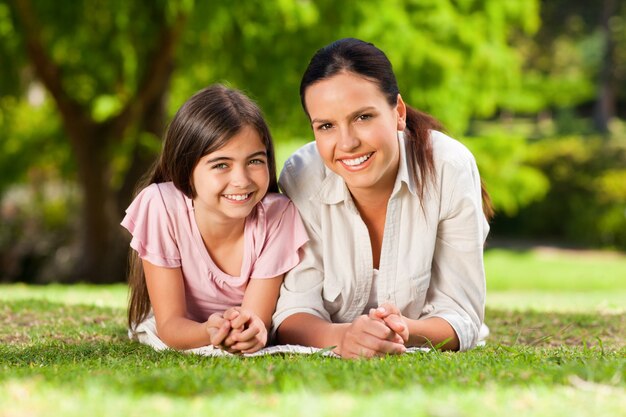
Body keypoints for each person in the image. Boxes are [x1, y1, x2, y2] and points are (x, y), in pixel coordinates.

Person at [273, 38, 493, 358]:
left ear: (398, 113)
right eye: (326, 126)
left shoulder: (449, 168)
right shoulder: (301, 176)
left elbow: (462, 315)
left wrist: (405, 330)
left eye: (363, 117)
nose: (347, 143)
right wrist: (344, 336)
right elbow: (293, 311)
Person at [122, 85, 308, 354]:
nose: (241, 180)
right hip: (195, 328)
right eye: (221, 164)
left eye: (255, 161)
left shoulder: (278, 216)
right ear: (186, 170)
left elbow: (256, 320)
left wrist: (251, 332)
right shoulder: (161, 206)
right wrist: (207, 332)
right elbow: (170, 325)